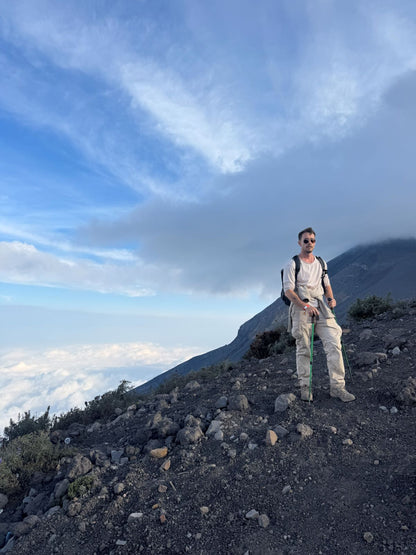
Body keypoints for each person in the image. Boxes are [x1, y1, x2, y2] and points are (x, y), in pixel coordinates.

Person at [282, 227, 355, 403]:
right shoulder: (292, 264)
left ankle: (338, 387)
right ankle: (305, 389)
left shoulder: (321, 263)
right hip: (301, 308)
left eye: (312, 240)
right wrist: (305, 306)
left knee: (334, 342)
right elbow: (288, 291)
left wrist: (330, 298)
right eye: (306, 240)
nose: (309, 243)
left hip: (321, 305)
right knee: (304, 348)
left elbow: (326, 284)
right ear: (300, 243)